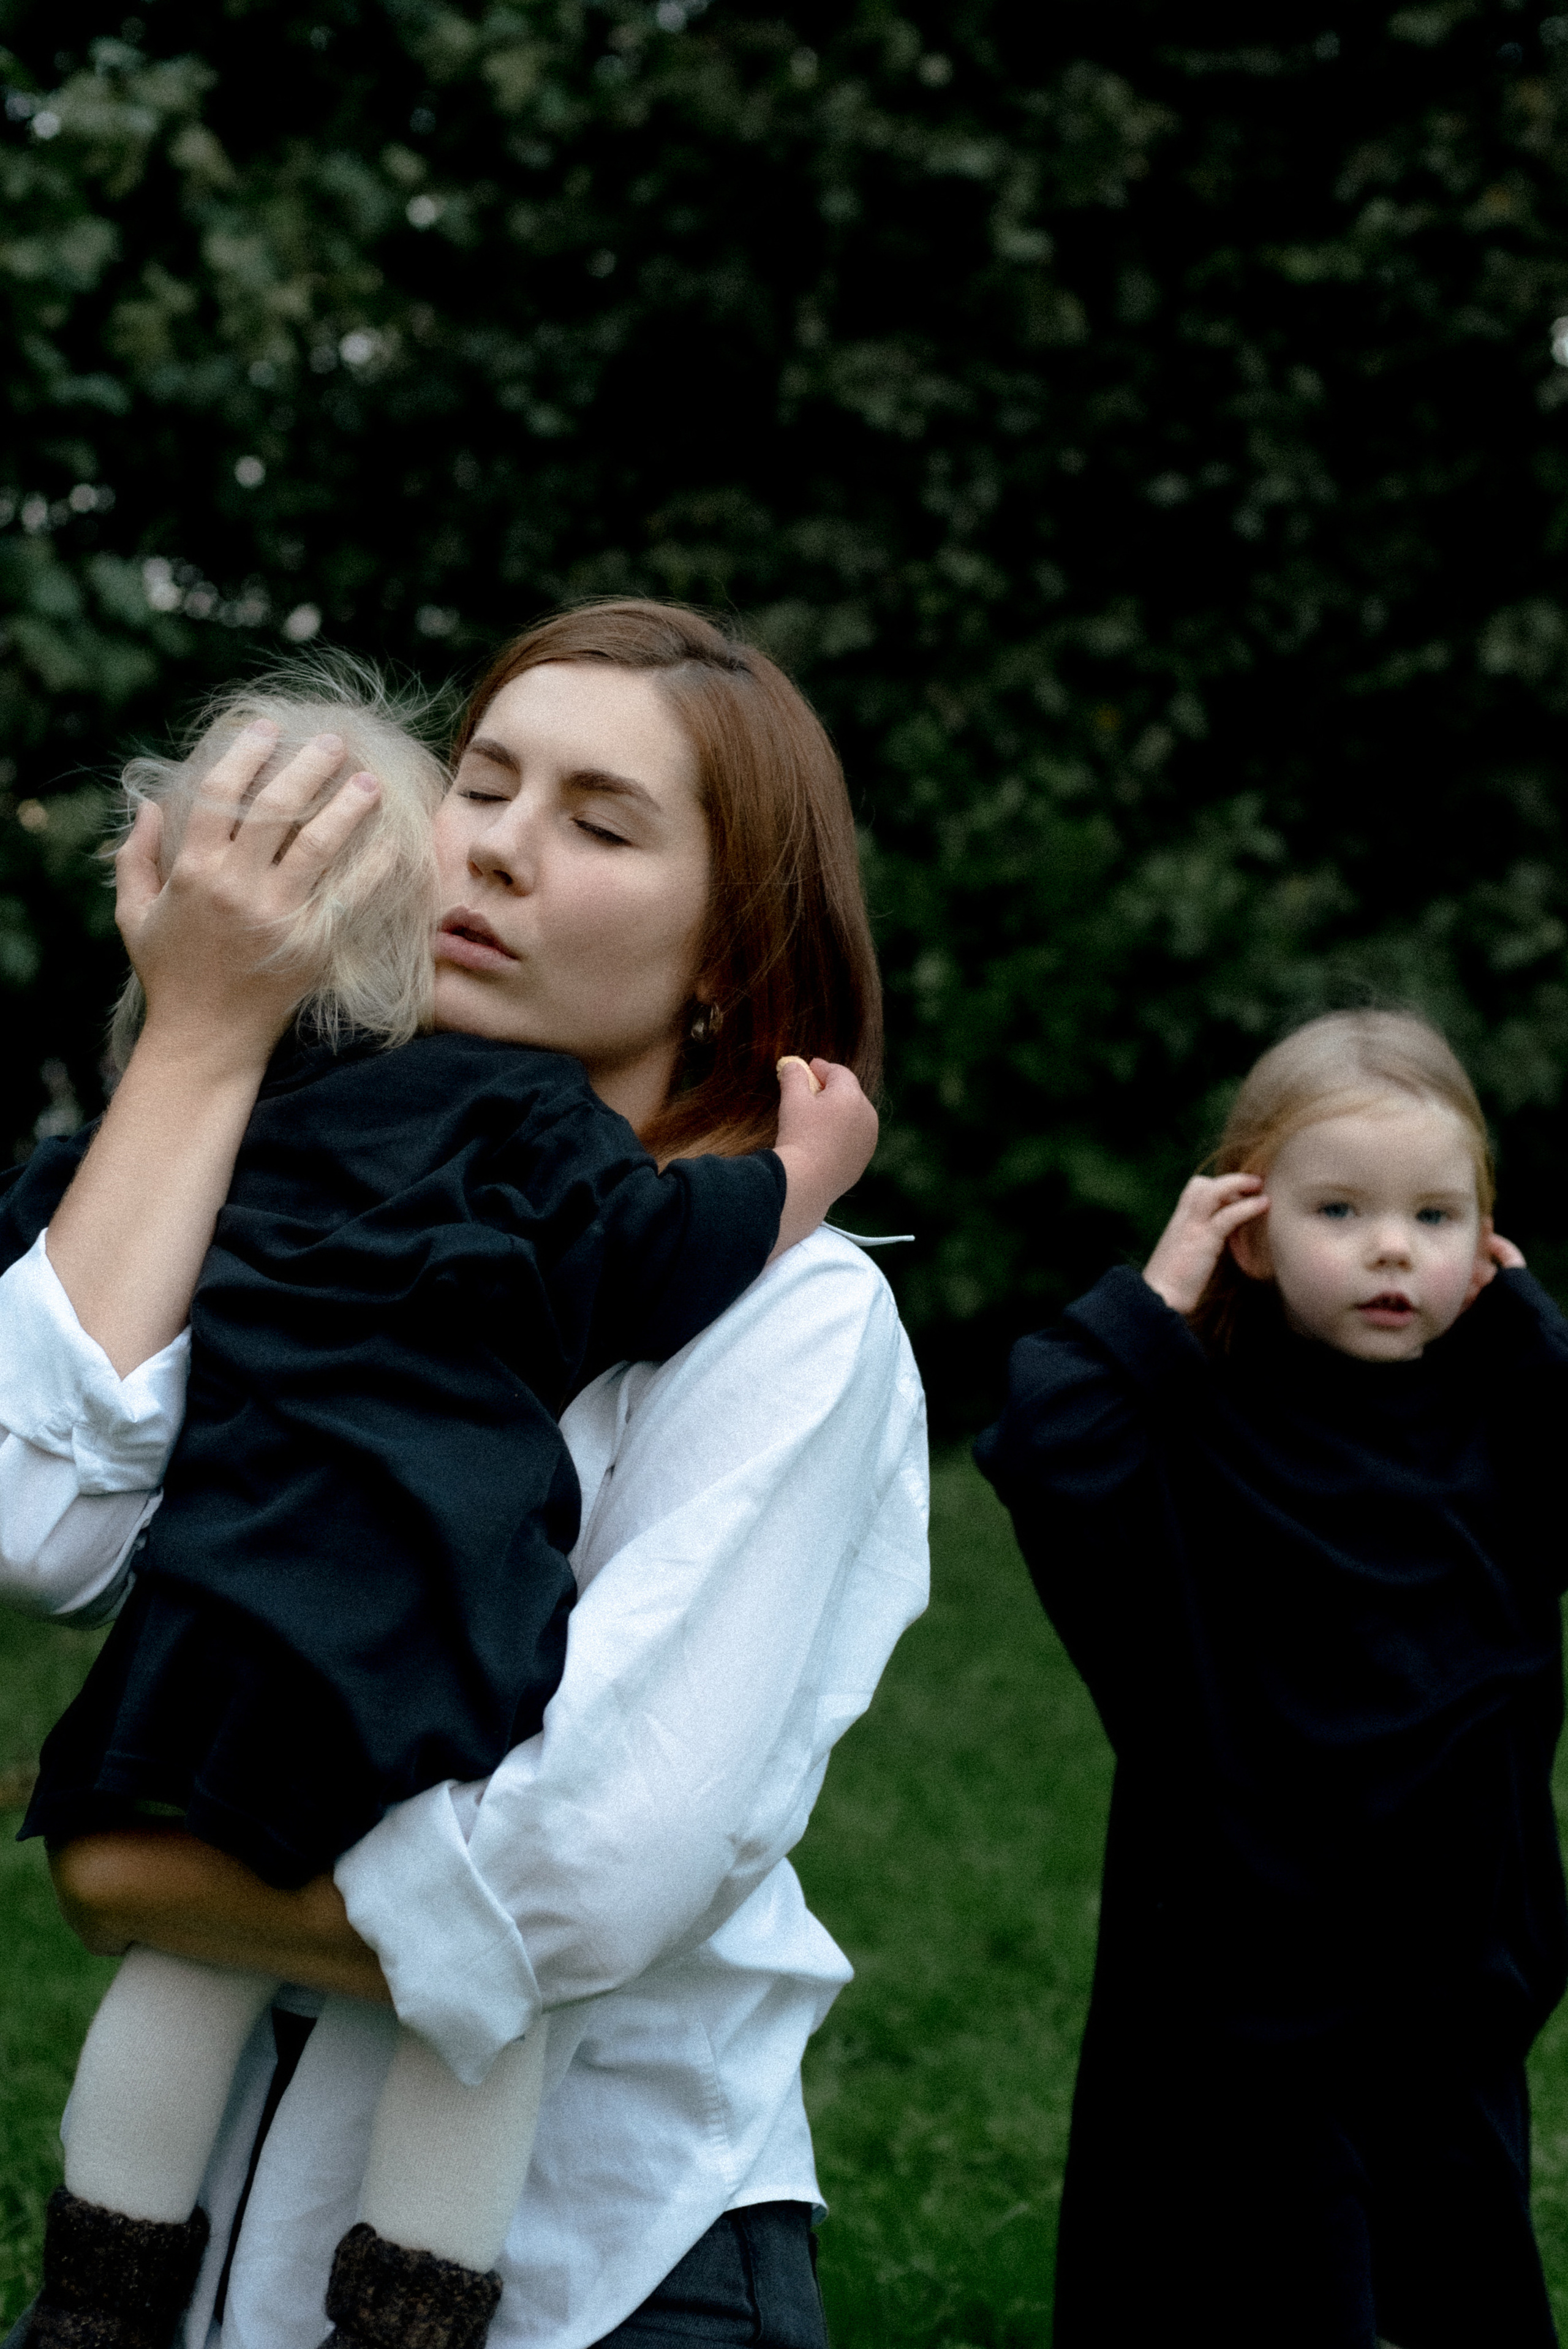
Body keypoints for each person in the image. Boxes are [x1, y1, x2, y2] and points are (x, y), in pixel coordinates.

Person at [0, 600, 929, 2349]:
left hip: (599, 2280)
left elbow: (581, 1878)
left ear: (727, 952)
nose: (496, 846)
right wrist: (198, 1042)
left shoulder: (795, 1318)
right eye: (482, 784)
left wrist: (157, 1866)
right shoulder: (282, 1164)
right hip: (216, 2261)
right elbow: (31, 1525)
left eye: (599, 823)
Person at [975, 1008, 1568, 2349]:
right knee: (1275, 2287)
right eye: (1338, 1209)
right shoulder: (1197, 1427)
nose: (1389, 1247)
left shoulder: (1501, 1432)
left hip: (1455, 1974)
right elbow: (1045, 1445)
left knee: (1459, 2276)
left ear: (1486, 1238)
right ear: (1246, 1227)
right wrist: (1155, 1295)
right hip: (1243, 1982)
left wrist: (1525, 1326)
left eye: (1434, 1216)